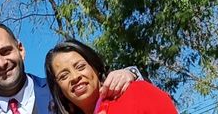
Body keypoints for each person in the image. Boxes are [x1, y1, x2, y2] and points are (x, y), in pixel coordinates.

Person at [0, 23, 142, 114]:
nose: (1, 63)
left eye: (6, 51)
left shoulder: (63, 91)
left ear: (20, 49)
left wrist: (130, 73)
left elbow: (101, 91)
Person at [45, 39, 177, 114]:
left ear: (95, 68)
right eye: (63, 76)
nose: (74, 77)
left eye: (80, 67)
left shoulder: (136, 92)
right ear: (59, 89)